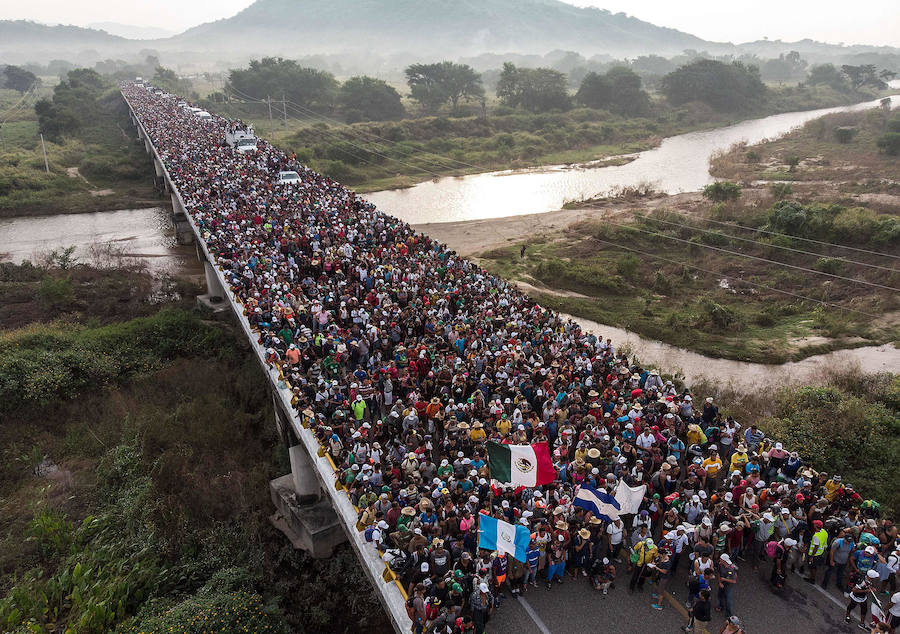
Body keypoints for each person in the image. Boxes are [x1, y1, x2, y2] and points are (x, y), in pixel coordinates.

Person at [716, 553, 738, 619]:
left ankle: (729, 614)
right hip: (722, 583)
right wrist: (720, 582)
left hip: (729, 585)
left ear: (724, 560)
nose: (719, 560)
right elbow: (719, 573)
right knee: (719, 595)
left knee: (728, 599)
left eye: (721, 559)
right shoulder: (720, 565)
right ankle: (721, 606)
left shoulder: (732, 569)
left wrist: (724, 579)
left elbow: (734, 581)